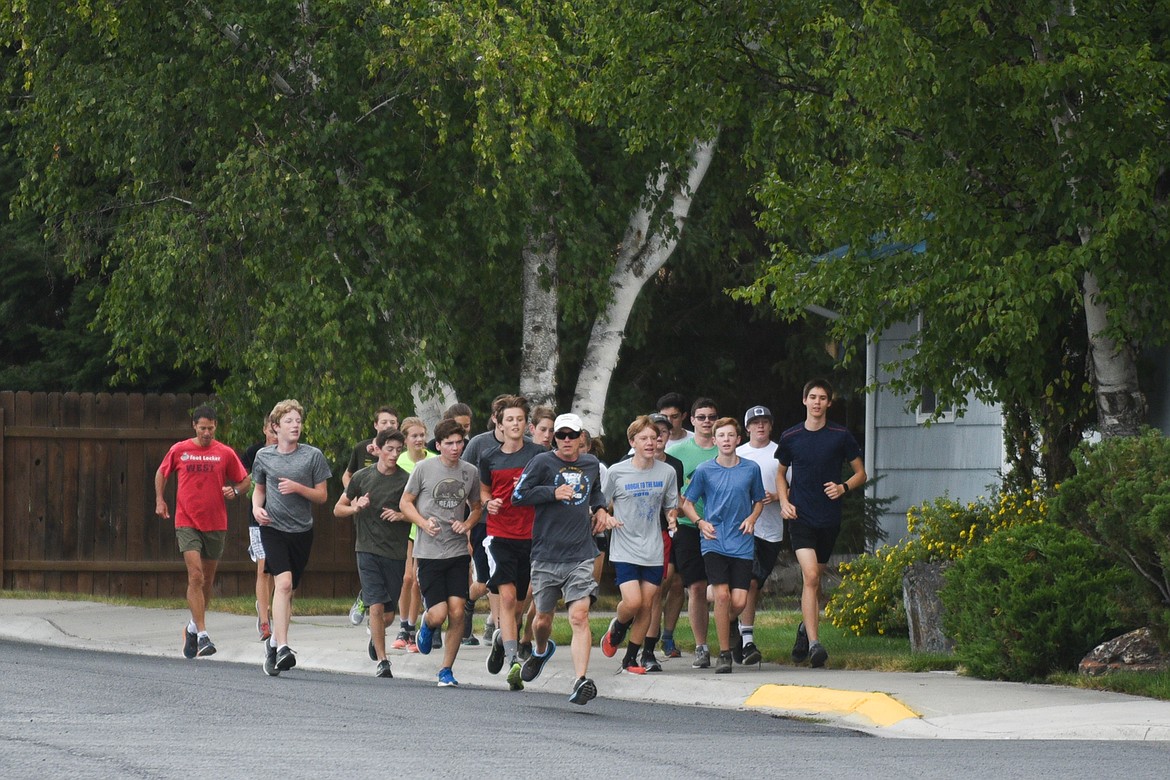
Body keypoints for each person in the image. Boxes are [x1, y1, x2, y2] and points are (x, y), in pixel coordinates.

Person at [513, 413, 617, 706]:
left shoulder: (590, 464)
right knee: (542, 619)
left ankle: (581, 679)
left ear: (581, 437)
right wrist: (552, 492)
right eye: (562, 436)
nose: (567, 440)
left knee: (579, 616)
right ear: (555, 439)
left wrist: (600, 510)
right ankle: (541, 649)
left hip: (581, 552)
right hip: (547, 554)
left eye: (573, 435)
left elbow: (595, 492)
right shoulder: (542, 463)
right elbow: (518, 495)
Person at [777, 379, 866, 668]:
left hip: (828, 517)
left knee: (815, 580)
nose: (816, 402)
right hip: (800, 517)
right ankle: (816, 644)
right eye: (812, 397)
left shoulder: (840, 435)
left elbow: (861, 473)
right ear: (804, 401)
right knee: (812, 576)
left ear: (829, 403)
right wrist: (784, 502)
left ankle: (804, 629)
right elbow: (780, 473)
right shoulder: (791, 436)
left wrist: (843, 488)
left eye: (822, 398)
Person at [155, 404, 250, 659]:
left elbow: (244, 480)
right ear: (194, 426)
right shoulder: (180, 450)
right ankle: (205, 634)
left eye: (210, 428)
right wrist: (160, 500)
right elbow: (161, 473)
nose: (206, 432)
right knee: (195, 576)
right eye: (202, 428)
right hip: (186, 520)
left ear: (215, 427)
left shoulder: (225, 453)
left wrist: (236, 491)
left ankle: (192, 627)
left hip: (216, 522)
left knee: (206, 580)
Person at [251, 399, 332, 676]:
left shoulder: (312, 456)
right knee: (282, 584)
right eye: (289, 421)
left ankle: (273, 645)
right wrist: (255, 508)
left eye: (298, 421)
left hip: (301, 531)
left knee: (290, 590)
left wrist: (298, 487)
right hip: (272, 528)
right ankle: (284, 647)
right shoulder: (264, 456)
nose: (295, 425)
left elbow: (322, 496)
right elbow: (259, 489)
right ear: (276, 427)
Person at [401, 419, 484, 687]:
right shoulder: (424, 468)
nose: (455, 447)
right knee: (439, 614)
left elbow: (476, 506)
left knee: (458, 611)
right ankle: (427, 624)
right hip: (429, 552)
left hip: (457, 550)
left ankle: (446, 669)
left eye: (459, 442)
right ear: (438, 445)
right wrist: (423, 523)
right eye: (449, 443)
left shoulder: (470, 471)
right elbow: (405, 503)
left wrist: (468, 523)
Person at [681, 417, 764, 673]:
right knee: (724, 595)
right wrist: (700, 523)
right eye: (722, 436)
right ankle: (725, 654)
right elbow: (687, 502)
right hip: (714, 540)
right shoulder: (705, 470)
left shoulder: (751, 469)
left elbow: (759, 500)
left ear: (738, 439)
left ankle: (716, 604)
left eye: (731, 435)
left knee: (737, 602)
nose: (726, 440)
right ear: (714, 440)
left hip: (741, 541)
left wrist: (752, 518)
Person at [600, 416, 679, 674]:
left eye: (653, 438)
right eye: (643, 438)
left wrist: (672, 518)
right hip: (625, 546)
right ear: (632, 441)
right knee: (632, 602)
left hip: (653, 547)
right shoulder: (616, 471)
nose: (649, 443)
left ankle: (630, 659)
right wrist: (606, 516)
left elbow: (670, 505)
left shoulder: (667, 472)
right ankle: (618, 626)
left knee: (647, 604)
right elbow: (601, 503)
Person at [478, 396, 545, 690]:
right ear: (499, 423)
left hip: (532, 536)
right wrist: (488, 502)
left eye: (519, 419)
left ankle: (500, 639)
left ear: (527, 424)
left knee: (518, 605)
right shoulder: (489, 457)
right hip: (500, 533)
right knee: (505, 599)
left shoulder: (539, 455)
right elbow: (483, 491)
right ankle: (512, 660)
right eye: (509, 420)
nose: (515, 424)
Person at [333, 428, 410, 678]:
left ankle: (376, 635)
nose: (394, 454)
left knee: (388, 615)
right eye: (389, 449)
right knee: (376, 606)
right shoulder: (362, 477)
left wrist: (400, 515)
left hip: (395, 552)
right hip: (366, 548)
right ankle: (384, 661)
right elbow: (337, 509)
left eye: (399, 450)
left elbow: (417, 512)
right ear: (377, 449)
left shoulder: (406, 479)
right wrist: (355, 506)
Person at [662, 397, 719, 666]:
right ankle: (701, 646)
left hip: (722, 528)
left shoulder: (727, 448)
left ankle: (731, 641)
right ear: (692, 420)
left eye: (712, 417)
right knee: (696, 587)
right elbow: (674, 494)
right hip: (688, 527)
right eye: (702, 417)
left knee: (724, 589)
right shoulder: (679, 454)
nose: (707, 422)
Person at [735, 405, 784, 666]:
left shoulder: (780, 453)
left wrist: (777, 496)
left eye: (765, 421)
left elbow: (793, 488)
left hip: (771, 529)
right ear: (747, 428)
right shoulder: (738, 454)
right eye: (755, 423)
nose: (760, 426)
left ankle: (736, 626)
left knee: (755, 583)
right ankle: (747, 640)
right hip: (744, 528)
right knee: (750, 582)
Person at [343, 405, 400, 626]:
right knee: (368, 561)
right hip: (365, 515)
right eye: (384, 422)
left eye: (392, 423)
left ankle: (369, 598)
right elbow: (348, 476)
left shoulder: (398, 454)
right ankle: (365, 598)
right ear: (376, 425)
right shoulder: (361, 448)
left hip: (393, 524)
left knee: (388, 571)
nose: (388, 426)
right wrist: (354, 498)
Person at [637, 412, 685, 671]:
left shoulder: (673, 466)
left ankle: (648, 649)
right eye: (651, 434)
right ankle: (628, 630)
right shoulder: (626, 464)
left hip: (663, 533)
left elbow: (674, 500)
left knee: (659, 587)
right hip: (634, 535)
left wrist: (681, 517)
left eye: (661, 433)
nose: (656, 439)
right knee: (639, 597)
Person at [391, 416, 434, 651]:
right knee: (407, 578)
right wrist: (398, 514)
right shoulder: (399, 462)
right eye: (414, 436)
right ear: (405, 439)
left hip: (429, 527)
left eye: (421, 435)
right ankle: (404, 626)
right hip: (406, 529)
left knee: (419, 580)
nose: (419, 440)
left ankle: (414, 627)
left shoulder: (435, 460)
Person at [241, 414, 279, 642]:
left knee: (275, 569)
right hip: (258, 518)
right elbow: (243, 479)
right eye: (272, 431)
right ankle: (265, 622)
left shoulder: (288, 453)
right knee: (263, 568)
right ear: (265, 429)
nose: (275, 436)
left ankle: (264, 604)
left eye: (278, 431)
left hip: (281, 519)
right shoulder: (253, 452)